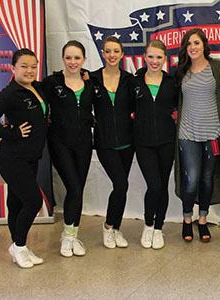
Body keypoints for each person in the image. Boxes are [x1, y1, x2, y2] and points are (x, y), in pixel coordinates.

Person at [0, 48, 48, 268]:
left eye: (33, 66)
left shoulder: (36, 87)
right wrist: (12, 133)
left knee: (17, 203)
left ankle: (20, 246)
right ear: (13, 68)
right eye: (24, 66)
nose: (29, 70)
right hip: (12, 158)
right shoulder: (10, 93)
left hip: (30, 156)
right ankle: (18, 247)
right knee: (33, 201)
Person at [175, 28, 220, 243]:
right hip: (188, 133)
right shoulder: (181, 70)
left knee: (207, 178)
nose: (192, 47)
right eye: (188, 44)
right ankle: (187, 219)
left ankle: (203, 220)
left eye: (196, 43)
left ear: (204, 45)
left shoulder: (217, 67)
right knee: (191, 179)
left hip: (213, 134)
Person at [42, 40, 94, 258]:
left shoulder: (90, 81)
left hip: (84, 143)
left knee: (78, 190)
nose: (73, 62)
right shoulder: (52, 82)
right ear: (63, 59)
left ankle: (73, 235)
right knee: (73, 187)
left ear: (84, 60)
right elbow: (32, 95)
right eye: (68, 57)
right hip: (60, 143)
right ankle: (66, 235)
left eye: (77, 58)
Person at [132, 39, 179, 249]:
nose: (154, 61)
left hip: (167, 141)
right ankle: (148, 224)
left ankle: (159, 228)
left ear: (165, 59)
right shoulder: (134, 81)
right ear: (145, 57)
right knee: (154, 185)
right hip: (143, 142)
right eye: (150, 56)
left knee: (163, 185)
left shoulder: (172, 82)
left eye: (159, 57)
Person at [90, 36, 135, 249]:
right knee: (121, 183)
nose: (112, 55)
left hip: (127, 142)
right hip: (105, 143)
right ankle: (108, 226)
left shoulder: (129, 79)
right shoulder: (92, 79)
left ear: (122, 54)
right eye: (108, 51)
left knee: (122, 187)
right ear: (103, 53)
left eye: (116, 51)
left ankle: (116, 229)